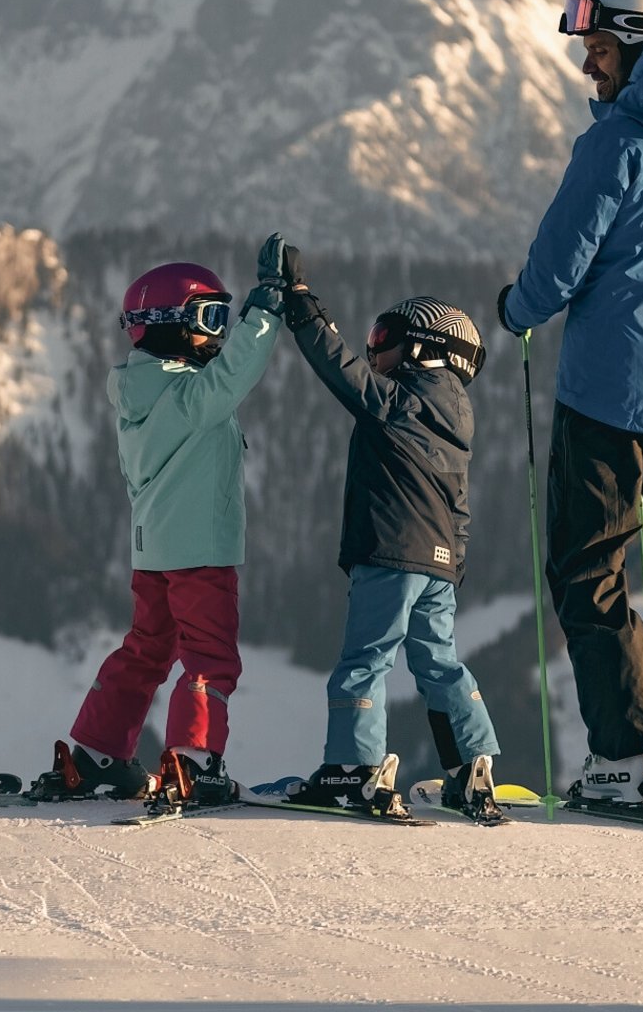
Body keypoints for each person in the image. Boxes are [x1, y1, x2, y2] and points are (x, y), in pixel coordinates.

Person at [499, 0, 643, 815]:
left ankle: (626, 760)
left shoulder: (616, 143)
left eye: (599, 51)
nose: (589, 68)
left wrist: (512, 311)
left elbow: (556, 270)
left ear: (640, 47)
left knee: (591, 566)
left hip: (608, 395)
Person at [30, 236, 285, 806]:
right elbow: (232, 378)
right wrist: (263, 313)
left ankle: (96, 752)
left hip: (153, 555)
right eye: (208, 318)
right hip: (199, 553)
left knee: (147, 647)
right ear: (168, 323)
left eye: (223, 318)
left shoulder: (139, 393)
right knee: (210, 655)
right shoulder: (187, 394)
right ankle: (194, 759)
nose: (217, 333)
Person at [279, 247, 504, 824]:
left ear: (429, 350)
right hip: (437, 561)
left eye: (385, 337)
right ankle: (470, 767)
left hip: (390, 553)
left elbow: (341, 370)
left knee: (365, 660)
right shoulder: (456, 414)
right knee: (439, 662)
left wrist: (303, 307)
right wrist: (452, 562)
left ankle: (353, 772)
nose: (374, 347)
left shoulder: (400, 399)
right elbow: (459, 503)